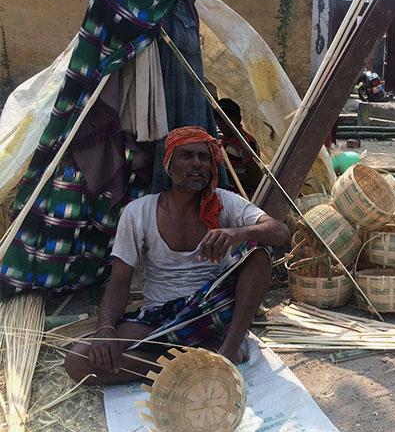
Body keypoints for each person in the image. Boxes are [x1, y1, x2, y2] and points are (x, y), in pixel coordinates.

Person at [65, 126, 290, 384]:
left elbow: (280, 231)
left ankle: (225, 354)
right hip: (159, 315)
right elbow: (119, 281)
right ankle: (195, 361)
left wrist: (236, 233)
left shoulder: (225, 202)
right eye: (187, 156)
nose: (197, 164)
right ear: (169, 165)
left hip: (211, 308)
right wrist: (105, 329)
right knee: (79, 361)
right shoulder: (138, 212)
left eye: (203, 158)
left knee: (259, 253)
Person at [216, 98, 264, 196]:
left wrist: (227, 175)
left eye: (223, 121)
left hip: (243, 196)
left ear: (236, 119)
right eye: (218, 121)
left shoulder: (244, 143)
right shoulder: (226, 140)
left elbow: (255, 178)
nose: (220, 125)